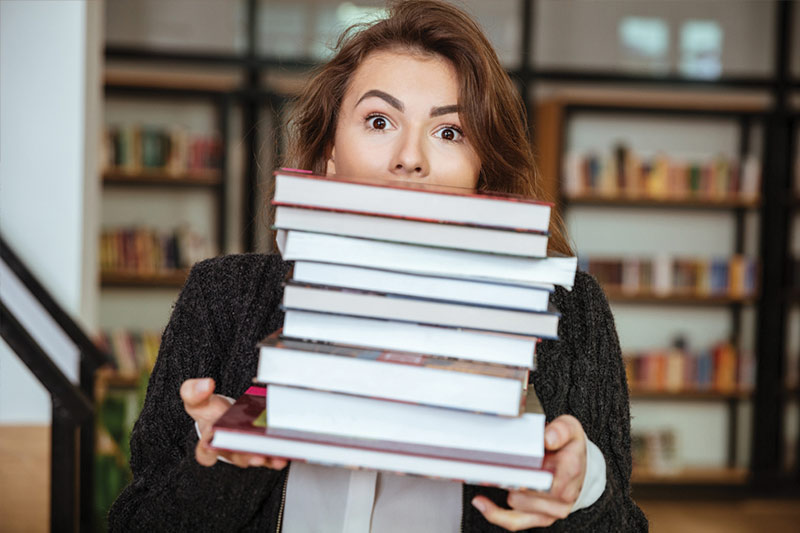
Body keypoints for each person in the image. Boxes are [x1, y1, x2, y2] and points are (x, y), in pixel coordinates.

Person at [108, 1, 648, 531]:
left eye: (449, 131)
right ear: (330, 155)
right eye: (379, 120)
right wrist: (223, 460)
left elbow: (621, 523)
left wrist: (582, 488)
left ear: (481, 171)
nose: (409, 158)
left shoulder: (570, 311)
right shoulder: (222, 296)